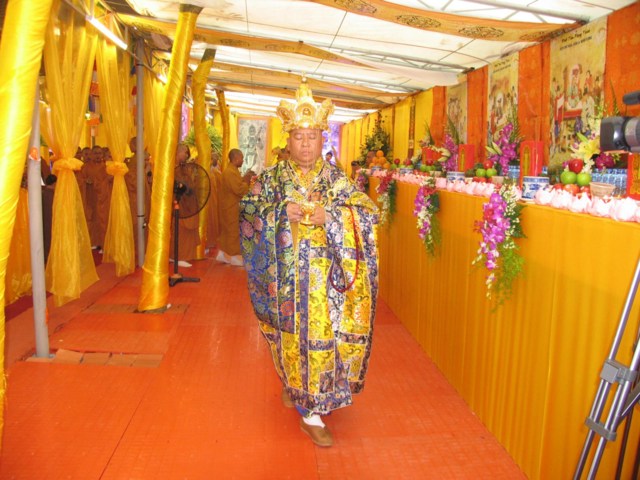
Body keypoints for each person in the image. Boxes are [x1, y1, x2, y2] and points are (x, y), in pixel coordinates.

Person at [240, 79, 379, 447]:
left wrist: (330, 217)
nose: (305, 144)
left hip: (324, 286)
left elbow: (368, 213)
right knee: (286, 341)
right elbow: (248, 211)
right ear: (288, 140)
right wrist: (278, 213)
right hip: (283, 282)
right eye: (299, 137)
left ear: (322, 139)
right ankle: (293, 385)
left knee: (318, 342)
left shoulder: (336, 180)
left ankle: (312, 411)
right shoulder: (271, 179)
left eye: (312, 136)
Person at [217, 148, 254, 266]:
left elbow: (237, 184)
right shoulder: (229, 172)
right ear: (236, 158)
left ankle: (223, 255)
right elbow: (238, 189)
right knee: (232, 231)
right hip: (230, 207)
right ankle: (233, 257)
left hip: (230, 206)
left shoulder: (233, 171)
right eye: (242, 158)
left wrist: (245, 178)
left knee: (228, 231)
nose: (243, 160)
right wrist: (247, 181)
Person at [170, 143, 200, 267]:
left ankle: (177, 256)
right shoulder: (173, 167)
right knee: (180, 229)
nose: (187, 155)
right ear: (177, 152)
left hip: (188, 203)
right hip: (180, 203)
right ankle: (179, 256)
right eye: (185, 152)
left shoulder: (183, 167)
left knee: (184, 230)